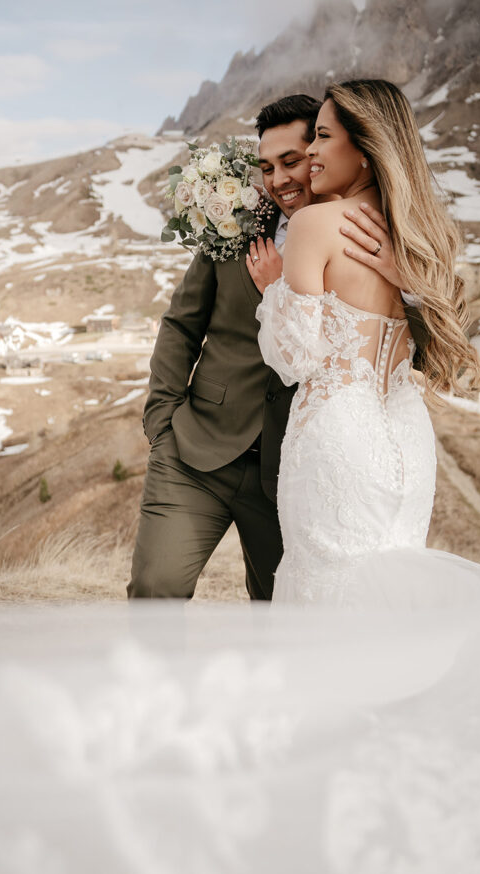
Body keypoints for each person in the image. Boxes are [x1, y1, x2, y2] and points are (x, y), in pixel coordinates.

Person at [127, 94, 428, 600]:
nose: (280, 179)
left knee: (283, 614)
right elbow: (182, 324)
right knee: (155, 588)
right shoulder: (235, 229)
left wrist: (408, 282)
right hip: (199, 448)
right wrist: (162, 421)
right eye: (266, 167)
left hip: (294, 468)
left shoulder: (367, 234)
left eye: (291, 161)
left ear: (317, 152)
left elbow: (401, 339)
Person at [250, 78, 480, 611]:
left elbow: (295, 359)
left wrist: (274, 290)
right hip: (407, 439)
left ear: (366, 149)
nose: (312, 152)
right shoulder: (421, 237)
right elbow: (445, 351)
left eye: (322, 137)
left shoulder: (313, 224)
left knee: (325, 590)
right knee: (392, 596)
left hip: (335, 435)